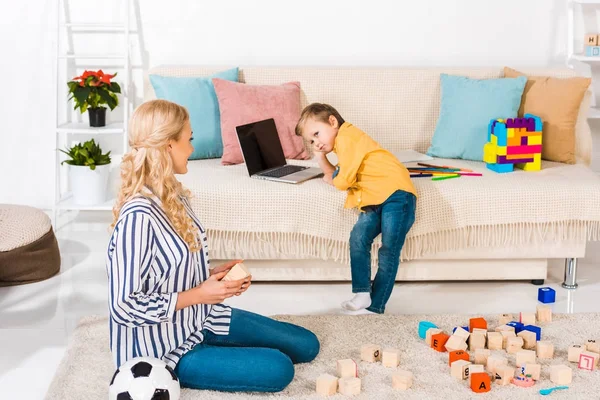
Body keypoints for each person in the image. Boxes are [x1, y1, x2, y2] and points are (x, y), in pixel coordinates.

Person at [107, 99, 320, 392]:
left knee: (307, 345)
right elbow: (123, 305)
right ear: (168, 145)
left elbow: (170, 269)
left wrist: (212, 278)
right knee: (279, 368)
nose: (192, 148)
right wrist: (199, 294)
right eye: (189, 139)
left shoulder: (173, 195)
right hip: (167, 348)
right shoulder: (138, 217)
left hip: (201, 317)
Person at [296, 103, 417, 315]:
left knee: (389, 250)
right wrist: (320, 157)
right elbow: (335, 176)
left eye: (317, 134)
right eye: (311, 141)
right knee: (358, 238)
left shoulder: (348, 138)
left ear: (332, 122)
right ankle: (362, 293)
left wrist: (334, 177)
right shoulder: (343, 148)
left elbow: (341, 181)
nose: (316, 142)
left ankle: (376, 305)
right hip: (374, 199)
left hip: (397, 195)